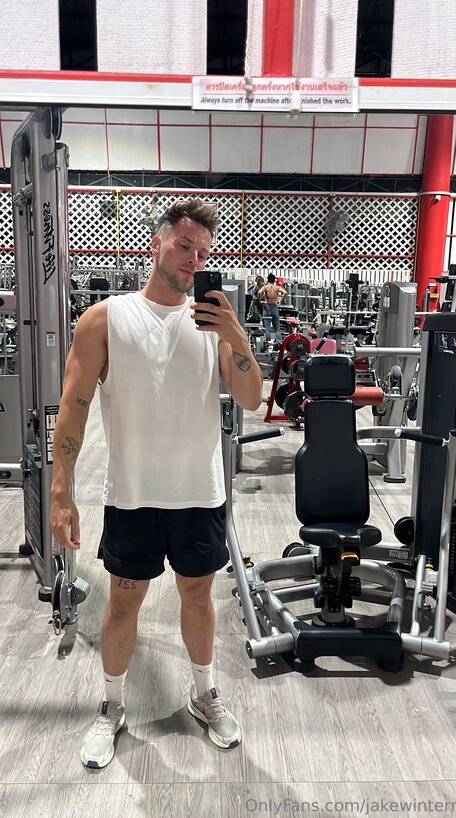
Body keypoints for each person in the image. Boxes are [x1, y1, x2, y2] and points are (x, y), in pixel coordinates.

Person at [50, 197, 263, 769]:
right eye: (184, 245)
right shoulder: (105, 318)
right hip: (133, 494)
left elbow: (250, 398)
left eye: (203, 252)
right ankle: (112, 706)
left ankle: (204, 695)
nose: (194, 259)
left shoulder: (213, 325)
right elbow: (72, 409)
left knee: (198, 597)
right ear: (156, 244)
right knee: (123, 603)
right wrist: (61, 492)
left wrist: (236, 335)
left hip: (198, 493)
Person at [257, 273, 288, 347]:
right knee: (277, 328)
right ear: (274, 280)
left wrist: (260, 300)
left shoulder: (265, 287)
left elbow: (259, 292)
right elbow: (285, 292)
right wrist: (280, 300)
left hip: (267, 306)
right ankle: (279, 342)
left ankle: (267, 344)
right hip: (274, 306)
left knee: (267, 328)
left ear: (268, 280)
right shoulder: (277, 287)